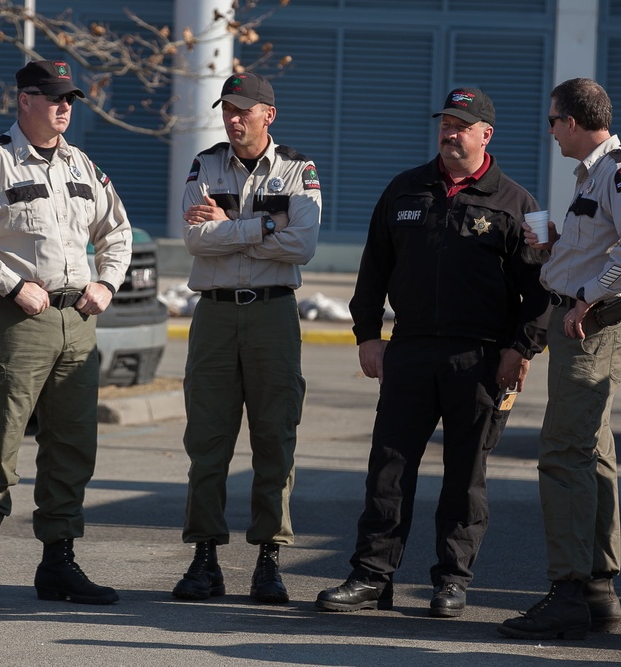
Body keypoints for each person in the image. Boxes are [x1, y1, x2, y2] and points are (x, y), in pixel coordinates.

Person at [316, 88, 549, 618]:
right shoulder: (405, 189)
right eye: (445, 121)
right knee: (389, 468)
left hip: (481, 357)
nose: (449, 131)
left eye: (461, 124)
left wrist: (521, 348)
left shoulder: (516, 203)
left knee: (465, 475)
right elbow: (373, 268)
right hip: (412, 350)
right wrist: (367, 334)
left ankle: (451, 581)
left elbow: (540, 291)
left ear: (484, 134)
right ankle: (372, 575)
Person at [0, 59, 132, 613]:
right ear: (24, 99)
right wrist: (11, 283)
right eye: (53, 97)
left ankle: (58, 564)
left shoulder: (81, 164)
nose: (64, 107)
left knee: (72, 445)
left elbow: (115, 229)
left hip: (77, 322)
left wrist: (108, 282)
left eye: (69, 98)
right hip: (15, 320)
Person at [499, 78, 621, 640]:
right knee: (592, 452)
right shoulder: (593, 174)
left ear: (571, 121)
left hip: (594, 326)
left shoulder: (620, 170)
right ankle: (597, 589)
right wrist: (554, 252)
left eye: (552, 121)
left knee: (565, 453)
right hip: (580, 322)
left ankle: (568, 592)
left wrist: (590, 294)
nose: (549, 131)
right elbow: (604, 242)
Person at [172, 72, 321, 604]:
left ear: (267, 115)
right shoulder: (205, 164)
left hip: (272, 315)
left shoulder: (297, 169)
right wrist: (263, 228)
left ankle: (268, 560)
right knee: (207, 440)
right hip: (213, 316)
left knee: (274, 438)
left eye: (242, 110)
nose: (233, 119)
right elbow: (193, 237)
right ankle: (204, 557)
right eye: (227, 110)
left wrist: (233, 225)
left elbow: (302, 244)